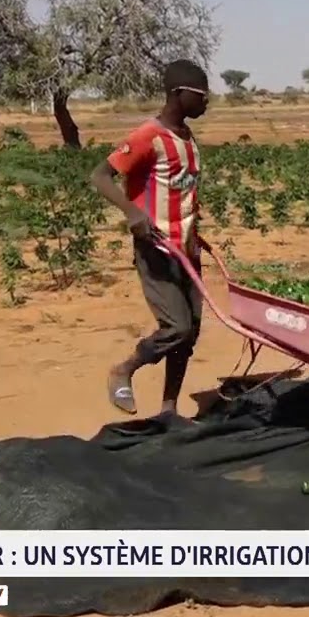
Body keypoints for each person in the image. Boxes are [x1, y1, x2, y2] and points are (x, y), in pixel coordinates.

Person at [89, 59, 210, 416]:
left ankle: (169, 410)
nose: (206, 103)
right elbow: (100, 176)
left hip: (186, 249)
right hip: (157, 249)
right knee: (176, 326)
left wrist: (194, 232)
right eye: (200, 96)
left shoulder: (187, 139)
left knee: (189, 334)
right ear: (178, 94)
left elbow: (182, 193)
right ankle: (124, 369)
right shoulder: (148, 136)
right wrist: (133, 213)